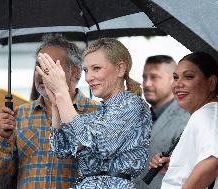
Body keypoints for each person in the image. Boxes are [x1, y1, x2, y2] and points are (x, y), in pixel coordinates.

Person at [0, 34, 101, 189]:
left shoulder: (97, 113)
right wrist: (3, 138)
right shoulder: (18, 115)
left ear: (74, 73)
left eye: (50, 66)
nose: (41, 73)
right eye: (38, 66)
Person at [36, 38, 152, 189]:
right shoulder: (97, 114)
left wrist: (63, 93)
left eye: (96, 68)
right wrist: (56, 102)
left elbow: (97, 144)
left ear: (120, 69)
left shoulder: (132, 105)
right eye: (86, 70)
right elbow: (61, 149)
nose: (88, 77)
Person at [149, 52, 218, 189]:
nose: (178, 84)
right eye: (176, 77)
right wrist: (178, 163)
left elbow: (213, 162)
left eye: (188, 77)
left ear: (211, 83)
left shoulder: (209, 115)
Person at [135, 55, 189, 189]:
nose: (146, 84)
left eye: (154, 77)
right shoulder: (140, 117)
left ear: (173, 80)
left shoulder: (186, 120)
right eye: (144, 77)